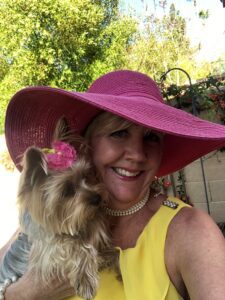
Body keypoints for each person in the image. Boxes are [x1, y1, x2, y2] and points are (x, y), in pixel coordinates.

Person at [1, 70, 225, 300]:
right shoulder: (49, 218)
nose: (137, 154)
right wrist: (24, 293)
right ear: (86, 145)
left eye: (152, 137)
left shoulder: (191, 232)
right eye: (119, 133)